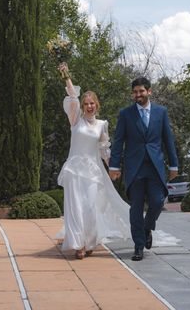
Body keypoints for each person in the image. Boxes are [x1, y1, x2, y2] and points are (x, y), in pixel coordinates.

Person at [55, 62, 132, 259]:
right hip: (74, 170)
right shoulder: (75, 120)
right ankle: (78, 245)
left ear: (97, 105)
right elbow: (72, 95)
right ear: (82, 106)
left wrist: (112, 168)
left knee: (89, 206)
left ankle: (89, 242)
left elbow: (105, 150)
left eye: (92, 103)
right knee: (75, 208)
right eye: (86, 103)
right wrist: (66, 75)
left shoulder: (101, 125)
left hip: (91, 172)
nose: (89, 106)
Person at [109, 76, 179, 261]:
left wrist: (174, 165)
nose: (138, 95)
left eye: (141, 91)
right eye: (135, 92)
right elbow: (118, 142)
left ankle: (148, 227)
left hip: (155, 166)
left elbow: (168, 140)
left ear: (149, 91)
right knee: (136, 208)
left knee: (157, 202)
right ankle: (138, 246)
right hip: (135, 168)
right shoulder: (126, 114)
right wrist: (114, 166)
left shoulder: (161, 112)